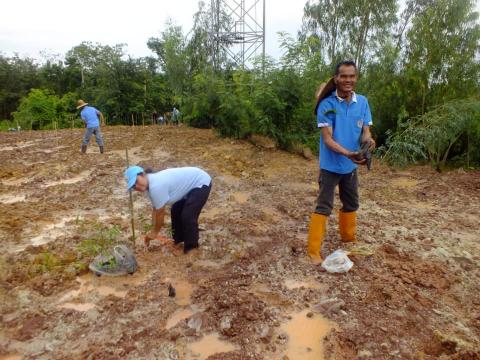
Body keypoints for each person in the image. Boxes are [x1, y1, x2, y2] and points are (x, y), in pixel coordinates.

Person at [307, 60, 376, 264]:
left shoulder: (362, 102)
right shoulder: (327, 105)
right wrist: (348, 153)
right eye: (343, 76)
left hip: (350, 167)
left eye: (351, 76)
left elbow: (365, 131)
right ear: (336, 78)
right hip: (330, 166)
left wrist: (368, 142)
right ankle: (313, 251)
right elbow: (328, 139)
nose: (348, 80)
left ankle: (348, 239)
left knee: (351, 203)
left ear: (356, 78)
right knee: (324, 206)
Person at [125, 165, 212, 254]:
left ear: (143, 174)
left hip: (201, 182)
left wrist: (154, 232)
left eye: (136, 181)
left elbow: (160, 213)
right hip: (191, 186)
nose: (136, 186)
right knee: (175, 210)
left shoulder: (156, 185)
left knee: (188, 216)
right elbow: (155, 209)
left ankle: (192, 249)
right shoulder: (149, 186)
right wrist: (152, 229)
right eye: (133, 186)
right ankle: (179, 241)